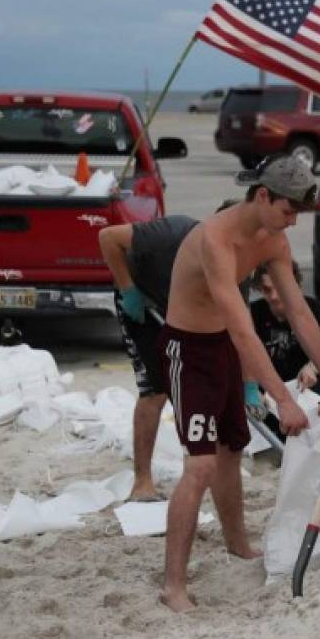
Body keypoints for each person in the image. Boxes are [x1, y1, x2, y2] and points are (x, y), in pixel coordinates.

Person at [157, 155, 320, 612]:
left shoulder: (273, 239)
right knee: (199, 467)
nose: (293, 222)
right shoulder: (215, 239)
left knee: (231, 451)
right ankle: (173, 584)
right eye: (288, 211)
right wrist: (282, 401)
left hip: (223, 345)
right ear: (263, 195)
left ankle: (237, 543)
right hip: (189, 348)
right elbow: (245, 328)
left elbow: (299, 311)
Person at [98, 214, 198, 501]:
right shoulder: (172, 232)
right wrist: (129, 290)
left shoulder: (233, 261)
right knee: (155, 390)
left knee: (191, 385)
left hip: (180, 308)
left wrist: (249, 385)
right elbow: (107, 238)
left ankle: (194, 470)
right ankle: (142, 482)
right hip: (141, 302)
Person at [250, 259, 320, 397]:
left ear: (296, 286)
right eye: (267, 289)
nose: (274, 296)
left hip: (304, 384)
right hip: (266, 388)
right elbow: (246, 355)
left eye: (280, 288)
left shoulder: (312, 307)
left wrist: (311, 367)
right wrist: (252, 388)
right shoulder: (254, 312)